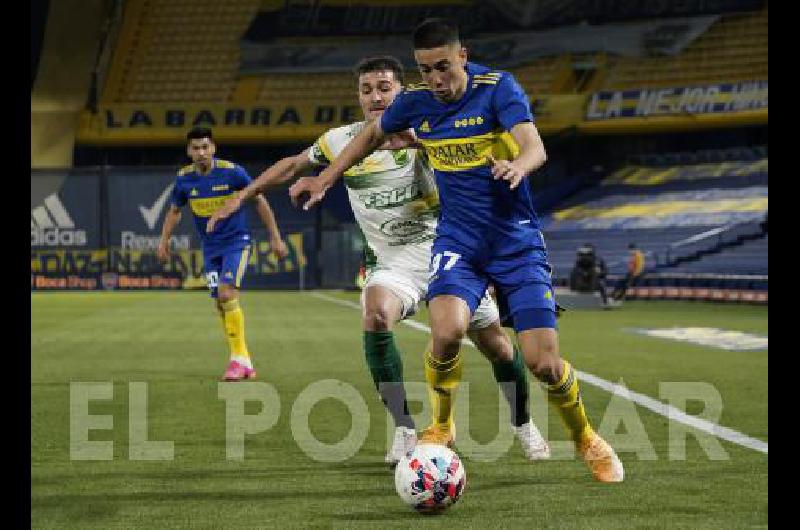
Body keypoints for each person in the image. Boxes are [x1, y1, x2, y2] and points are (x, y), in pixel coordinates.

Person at [287, 19, 623, 482]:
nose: (436, 80)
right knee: (445, 332)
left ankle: (586, 437)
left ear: (462, 56)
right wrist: (325, 177)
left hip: (514, 241)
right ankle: (441, 427)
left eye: (443, 67)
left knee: (541, 362)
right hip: (457, 241)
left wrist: (518, 167)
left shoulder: (497, 88)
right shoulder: (416, 102)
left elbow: (534, 146)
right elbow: (369, 136)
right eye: (426, 70)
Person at [207, 55, 550, 466]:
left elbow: (485, 159)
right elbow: (294, 165)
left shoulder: (432, 127)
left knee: (497, 348)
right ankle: (405, 430)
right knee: (375, 313)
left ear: (403, 91)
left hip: (450, 251)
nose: (376, 97)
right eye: (367, 90)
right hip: (395, 263)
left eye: (385, 88)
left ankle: (524, 425)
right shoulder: (343, 141)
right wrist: (240, 198)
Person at [157, 127, 289, 381]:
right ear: (189, 151)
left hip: (235, 243)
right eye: (196, 148)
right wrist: (164, 242)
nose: (201, 152)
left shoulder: (233, 173)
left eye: (205, 147)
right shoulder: (184, 179)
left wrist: (275, 236)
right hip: (210, 248)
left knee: (227, 293)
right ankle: (243, 361)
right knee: (221, 302)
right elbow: (174, 211)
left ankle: (237, 361)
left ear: (214, 148)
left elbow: (259, 200)